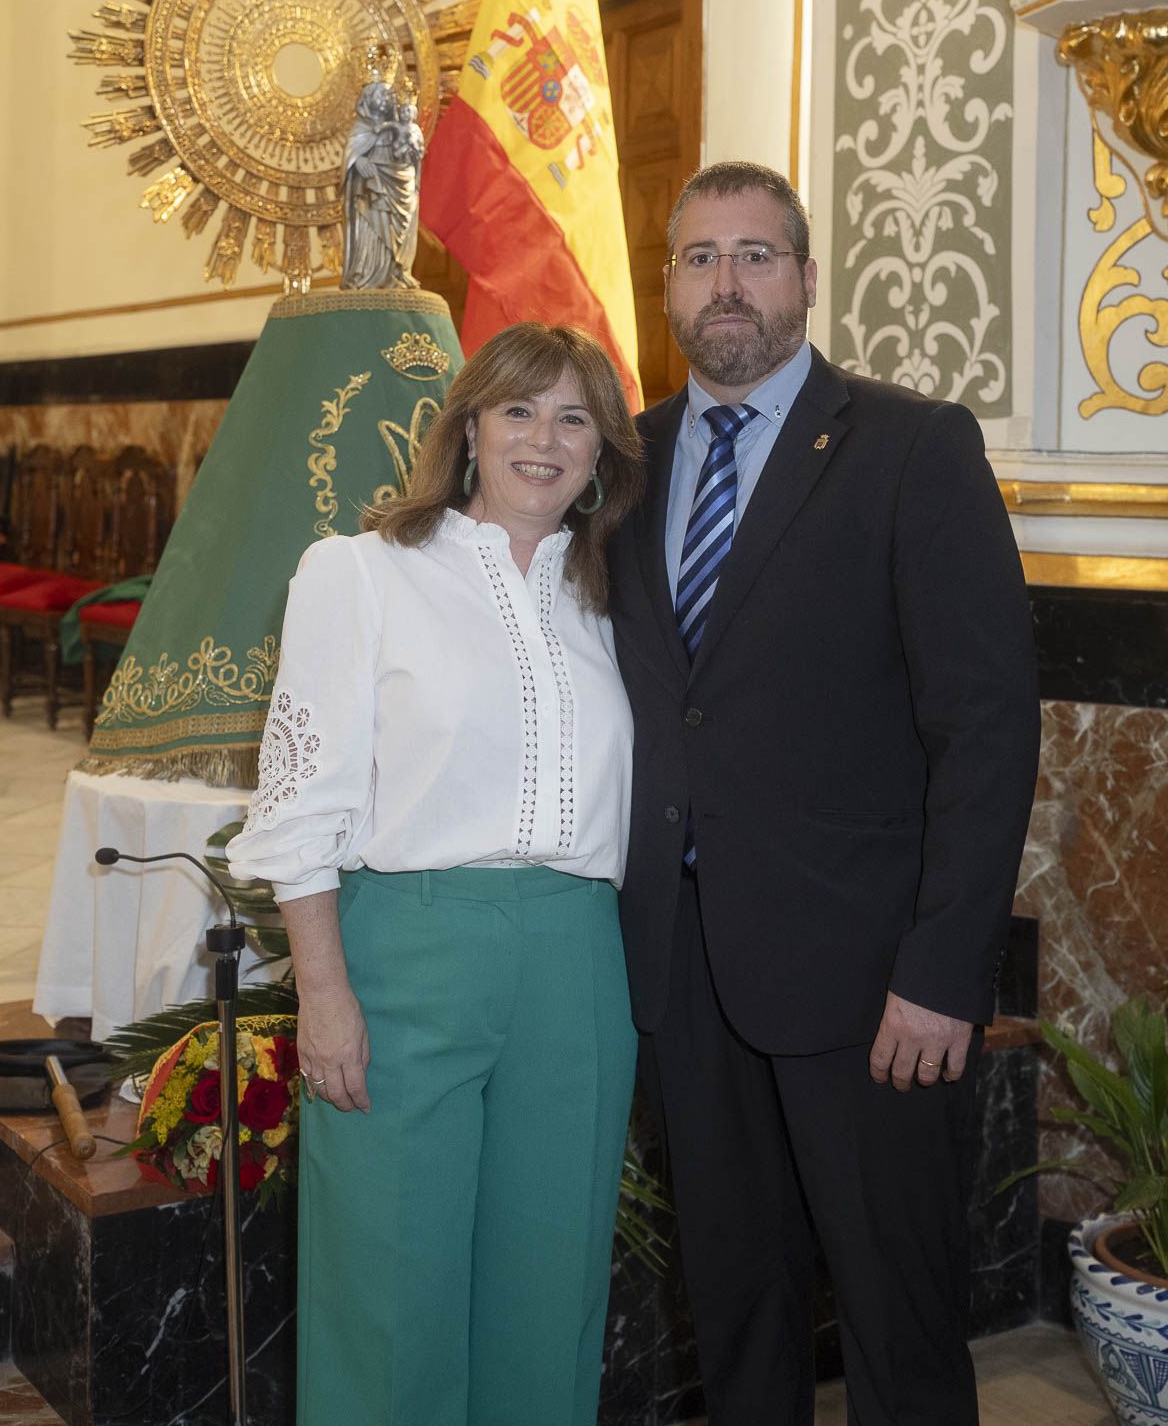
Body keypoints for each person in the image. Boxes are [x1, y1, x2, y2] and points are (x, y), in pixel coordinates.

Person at [607, 162, 1041, 1426]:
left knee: (897, 1322)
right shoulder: (620, 462)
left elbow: (985, 724)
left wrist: (943, 966)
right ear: (669, 288)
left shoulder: (910, 446)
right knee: (733, 1309)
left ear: (803, 277)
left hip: (870, 986)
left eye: (754, 254)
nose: (725, 282)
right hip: (682, 974)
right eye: (698, 258)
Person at [227, 321, 646, 1426]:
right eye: (519, 410)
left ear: (602, 454)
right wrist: (323, 995)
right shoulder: (360, 573)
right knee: (388, 1286)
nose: (544, 440)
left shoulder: (611, 603)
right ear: (466, 428)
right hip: (406, 949)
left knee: (549, 1288)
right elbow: (300, 805)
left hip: (576, 960)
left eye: (574, 420)